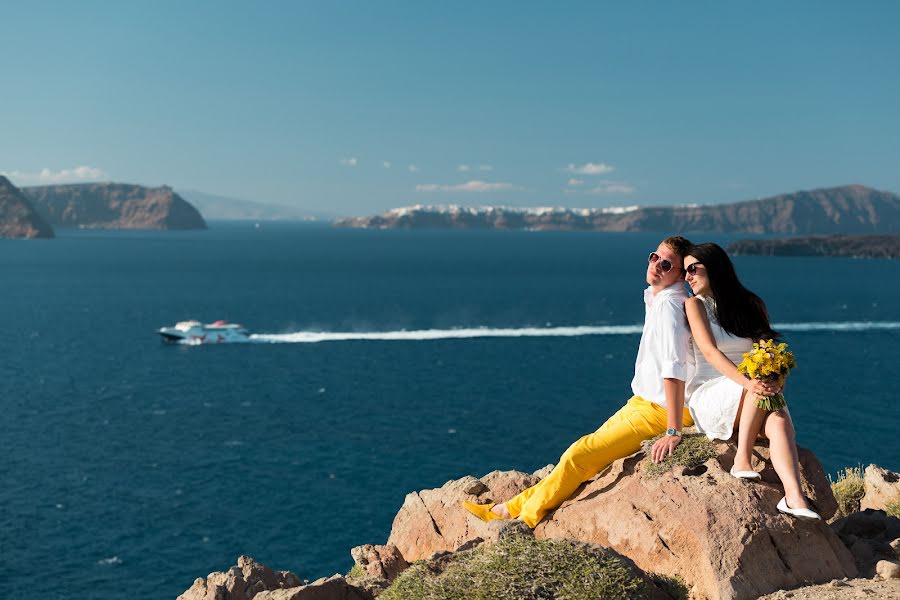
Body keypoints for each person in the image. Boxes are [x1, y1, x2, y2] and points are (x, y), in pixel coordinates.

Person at [463, 236, 695, 528]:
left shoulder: (670, 308)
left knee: (580, 454)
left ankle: (525, 521)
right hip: (644, 402)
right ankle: (508, 509)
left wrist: (673, 430)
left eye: (666, 264)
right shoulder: (660, 299)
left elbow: (674, 369)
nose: (656, 266)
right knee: (583, 452)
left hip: (661, 411)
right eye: (654, 257)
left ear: (680, 273)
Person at [682, 242, 820, 520]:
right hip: (711, 390)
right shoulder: (694, 305)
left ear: (715, 267)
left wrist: (777, 378)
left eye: (693, 269)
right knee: (761, 386)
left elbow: (767, 350)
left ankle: (794, 497)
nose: (688, 277)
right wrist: (749, 383)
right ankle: (741, 459)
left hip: (752, 390)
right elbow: (710, 351)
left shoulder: (751, 304)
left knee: (779, 419)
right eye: (685, 271)